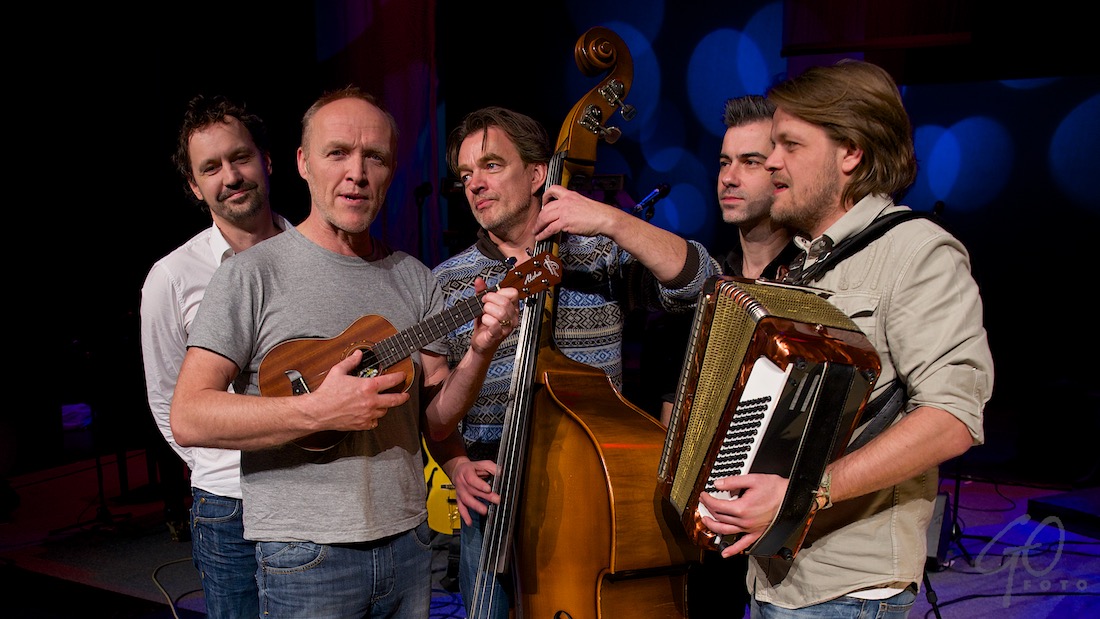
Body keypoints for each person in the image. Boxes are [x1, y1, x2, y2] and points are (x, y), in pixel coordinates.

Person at [168, 86, 521, 618]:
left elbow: (437, 421)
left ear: (391, 170)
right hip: (305, 555)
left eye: (374, 157)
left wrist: (480, 351)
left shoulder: (415, 279)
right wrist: (317, 410)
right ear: (303, 163)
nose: (357, 173)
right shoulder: (250, 275)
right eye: (337, 153)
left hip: (409, 542)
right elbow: (189, 416)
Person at [697, 59, 994, 618]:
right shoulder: (804, 262)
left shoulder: (917, 252)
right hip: (774, 575)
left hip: (848, 590)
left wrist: (803, 493)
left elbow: (953, 417)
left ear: (850, 153)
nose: (772, 161)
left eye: (790, 145)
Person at [427, 105, 721, 618]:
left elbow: (702, 284)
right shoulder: (447, 280)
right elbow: (434, 409)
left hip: (588, 494)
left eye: (492, 165)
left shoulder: (598, 253)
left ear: (537, 174)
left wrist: (612, 221)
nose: (475, 184)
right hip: (491, 504)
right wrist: (455, 464)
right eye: (466, 174)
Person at [140, 93, 291, 618]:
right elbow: (167, 401)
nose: (231, 177)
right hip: (228, 509)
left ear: (266, 161)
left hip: (313, 491)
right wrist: (215, 465)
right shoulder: (172, 278)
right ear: (194, 185)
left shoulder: (317, 253)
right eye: (211, 168)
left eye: (240, 157)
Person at [657, 94, 801, 619]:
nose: (729, 177)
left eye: (750, 162)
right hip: (705, 517)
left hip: (786, 520)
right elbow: (674, 402)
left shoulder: (815, 277)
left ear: (782, 171)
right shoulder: (705, 280)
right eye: (724, 162)